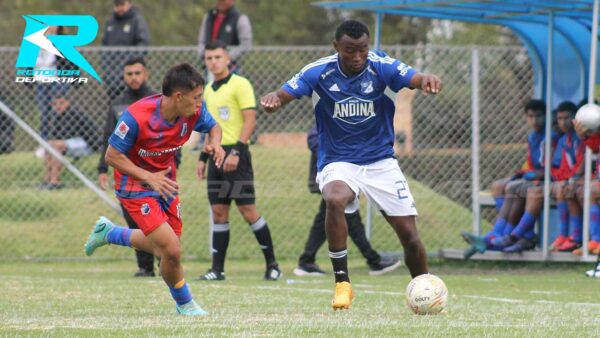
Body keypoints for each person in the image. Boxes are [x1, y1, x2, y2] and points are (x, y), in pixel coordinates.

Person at [260, 20, 441, 310]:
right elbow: (285, 93)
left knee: (409, 236)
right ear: (336, 48)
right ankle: (342, 284)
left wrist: (426, 79)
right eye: (349, 51)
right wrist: (274, 99)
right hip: (338, 160)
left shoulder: (381, 65)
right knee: (334, 198)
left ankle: (425, 288)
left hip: (381, 161)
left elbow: (413, 77)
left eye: (362, 50)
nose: (357, 57)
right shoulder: (318, 71)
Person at [84, 63, 225, 316]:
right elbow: (112, 156)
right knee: (171, 249)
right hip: (135, 186)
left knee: (168, 247)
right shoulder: (137, 116)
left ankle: (110, 234)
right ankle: (185, 304)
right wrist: (150, 177)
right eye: (196, 97)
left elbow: (214, 127)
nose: (199, 103)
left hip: (166, 183)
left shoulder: (193, 110)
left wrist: (215, 144)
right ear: (178, 97)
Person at [196, 40, 281, 281]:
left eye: (218, 57)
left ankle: (273, 265)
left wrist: (236, 152)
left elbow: (250, 120)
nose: (213, 61)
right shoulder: (208, 90)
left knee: (248, 211)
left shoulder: (240, 84)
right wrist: (203, 157)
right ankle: (217, 270)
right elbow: (209, 128)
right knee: (219, 212)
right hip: (216, 156)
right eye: (209, 58)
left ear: (228, 59)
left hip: (236, 155)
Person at [294, 125, 401, 276]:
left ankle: (307, 261)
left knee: (327, 219)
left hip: (348, 177)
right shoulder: (327, 116)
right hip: (331, 177)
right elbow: (313, 140)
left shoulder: (354, 121)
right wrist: (340, 152)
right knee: (350, 219)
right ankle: (374, 261)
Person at [461, 99, 554, 257]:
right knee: (498, 186)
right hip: (535, 178)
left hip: (549, 180)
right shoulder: (532, 137)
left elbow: (551, 167)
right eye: (530, 116)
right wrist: (522, 173)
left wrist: (530, 175)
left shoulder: (551, 135)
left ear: (546, 116)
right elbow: (532, 163)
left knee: (515, 188)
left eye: (538, 116)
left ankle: (508, 236)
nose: (535, 120)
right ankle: (498, 235)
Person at [97, 57, 160, 277]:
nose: (134, 78)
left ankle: (165, 262)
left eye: (137, 73)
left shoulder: (158, 101)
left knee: (158, 219)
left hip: (155, 170)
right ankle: (145, 267)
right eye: (129, 74)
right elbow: (108, 137)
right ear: (124, 76)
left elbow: (170, 133)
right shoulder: (117, 103)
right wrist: (102, 169)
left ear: (146, 74)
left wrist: (174, 164)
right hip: (125, 173)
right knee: (134, 221)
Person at [500, 101, 584, 253]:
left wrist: (568, 179)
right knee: (510, 187)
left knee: (538, 190)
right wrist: (528, 173)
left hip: (570, 182)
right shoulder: (563, 139)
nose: (563, 123)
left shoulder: (576, 139)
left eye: (567, 118)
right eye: (559, 119)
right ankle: (506, 234)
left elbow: (562, 168)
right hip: (561, 181)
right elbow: (557, 167)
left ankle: (516, 236)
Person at [40, 94, 98, 190]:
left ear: (68, 103)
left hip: (87, 144)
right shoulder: (56, 117)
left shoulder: (75, 114)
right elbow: (56, 137)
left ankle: (55, 182)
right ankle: (47, 179)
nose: (58, 106)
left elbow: (90, 135)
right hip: (70, 144)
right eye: (55, 104)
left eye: (61, 103)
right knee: (49, 144)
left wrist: (60, 142)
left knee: (57, 145)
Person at [101, 0, 151, 100]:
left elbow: (143, 44)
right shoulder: (110, 23)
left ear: (129, 4)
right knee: (115, 105)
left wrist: (130, 65)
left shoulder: (137, 20)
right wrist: (106, 70)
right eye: (117, 5)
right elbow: (104, 47)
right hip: (112, 77)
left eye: (122, 4)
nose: (120, 8)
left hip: (130, 75)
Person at [197, 0, 252, 76]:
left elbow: (246, 45)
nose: (221, 2)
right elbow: (202, 41)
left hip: (231, 68)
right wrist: (204, 55)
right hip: (208, 68)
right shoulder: (209, 17)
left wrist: (226, 57)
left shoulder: (240, 18)